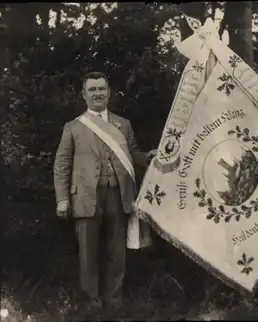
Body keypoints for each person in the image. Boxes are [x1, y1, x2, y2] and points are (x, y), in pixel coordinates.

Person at [53, 71, 156, 310]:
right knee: (88, 255)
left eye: (102, 89)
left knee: (116, 253)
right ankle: (92, 305)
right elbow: (61, 165)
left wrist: (149, 158)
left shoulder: (123, 124)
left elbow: (133, 155)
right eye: (93, 90)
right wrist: (62, 199)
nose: (98, 94)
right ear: (84, 94)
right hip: (86, 197)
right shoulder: (73, 127)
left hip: (118, 195)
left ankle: (115, 302)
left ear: (109, 93)